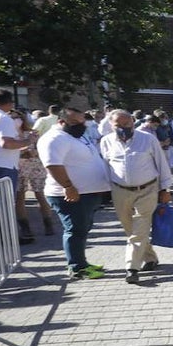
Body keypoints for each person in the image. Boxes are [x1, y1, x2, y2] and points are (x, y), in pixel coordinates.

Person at [100, 109, 173, 285]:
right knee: (130, 229)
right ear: (111, 125)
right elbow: (105, 166)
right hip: (120, 191)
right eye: (119, 125)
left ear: (133, 122)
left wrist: (165, 189)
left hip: (147, 189)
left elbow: (161, 164)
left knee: (139, 229)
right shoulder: (106, 142)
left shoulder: (147, 139)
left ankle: (132, 267)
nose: (124, 128)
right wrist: (105, 191)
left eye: (127, 124)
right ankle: (150, 257)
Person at [38, 107, 111, 280]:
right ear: (61, 122)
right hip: (71, 194)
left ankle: (81, 262)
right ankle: (77, 267)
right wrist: (68, 186)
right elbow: (53, 165)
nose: (80, 125)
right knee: (75, 230)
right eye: (74, 122)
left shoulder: (74, 135)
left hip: (87, 193)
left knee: (82, 229)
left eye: (81, 122)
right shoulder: (54, 138)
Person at [12, 109, 56, 243]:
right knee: (20, 197)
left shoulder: (32, 133)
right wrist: (23, 150)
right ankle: (25, 227)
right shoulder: (8, 134)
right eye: (12, 118)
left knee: (40, 194)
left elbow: (41, 147)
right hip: (18, 167)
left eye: (17, 117)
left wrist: (33, 151)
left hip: (35, 166)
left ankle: (48, 224)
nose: (15, 120)